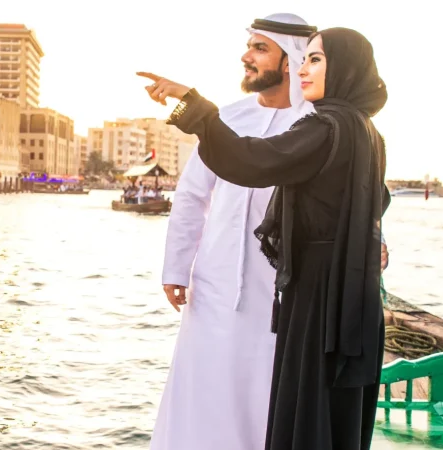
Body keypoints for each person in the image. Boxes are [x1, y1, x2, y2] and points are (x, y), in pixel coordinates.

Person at [140, 27, 391, 449]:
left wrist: (195, 107)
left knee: (304, 408)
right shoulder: (364, 129)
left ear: (343, 68)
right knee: (330, 414)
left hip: (316, 294)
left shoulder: (324, 127)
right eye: (305, 59)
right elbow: (371, 198)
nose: (303, 69)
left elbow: (251, 162)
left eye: (315, 60)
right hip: (347, 294)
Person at [150, 13, 316, 450]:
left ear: (289, 60)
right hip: (213, 285)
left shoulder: (314, 124)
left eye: (260, 49)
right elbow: (191, 196)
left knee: (264, 392)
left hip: (280, 293)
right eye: (249, 47)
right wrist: (176, 268)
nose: (247, 57)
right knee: (202, 390)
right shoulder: (227, 118)